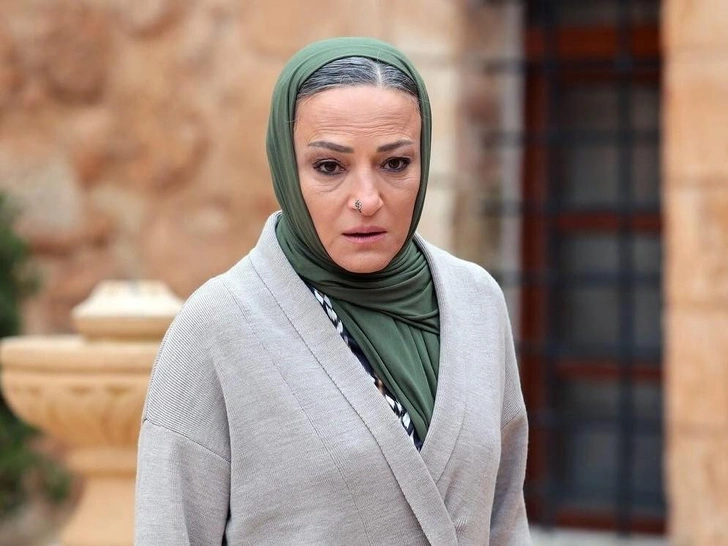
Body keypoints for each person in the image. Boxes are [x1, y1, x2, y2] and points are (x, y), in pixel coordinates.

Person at [135, 37, 531, 545]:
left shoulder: (476, 303)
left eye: (395, 164)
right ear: (287, 167)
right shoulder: (216, 328)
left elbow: (505, 521)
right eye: (329, 167)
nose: (367, 199)